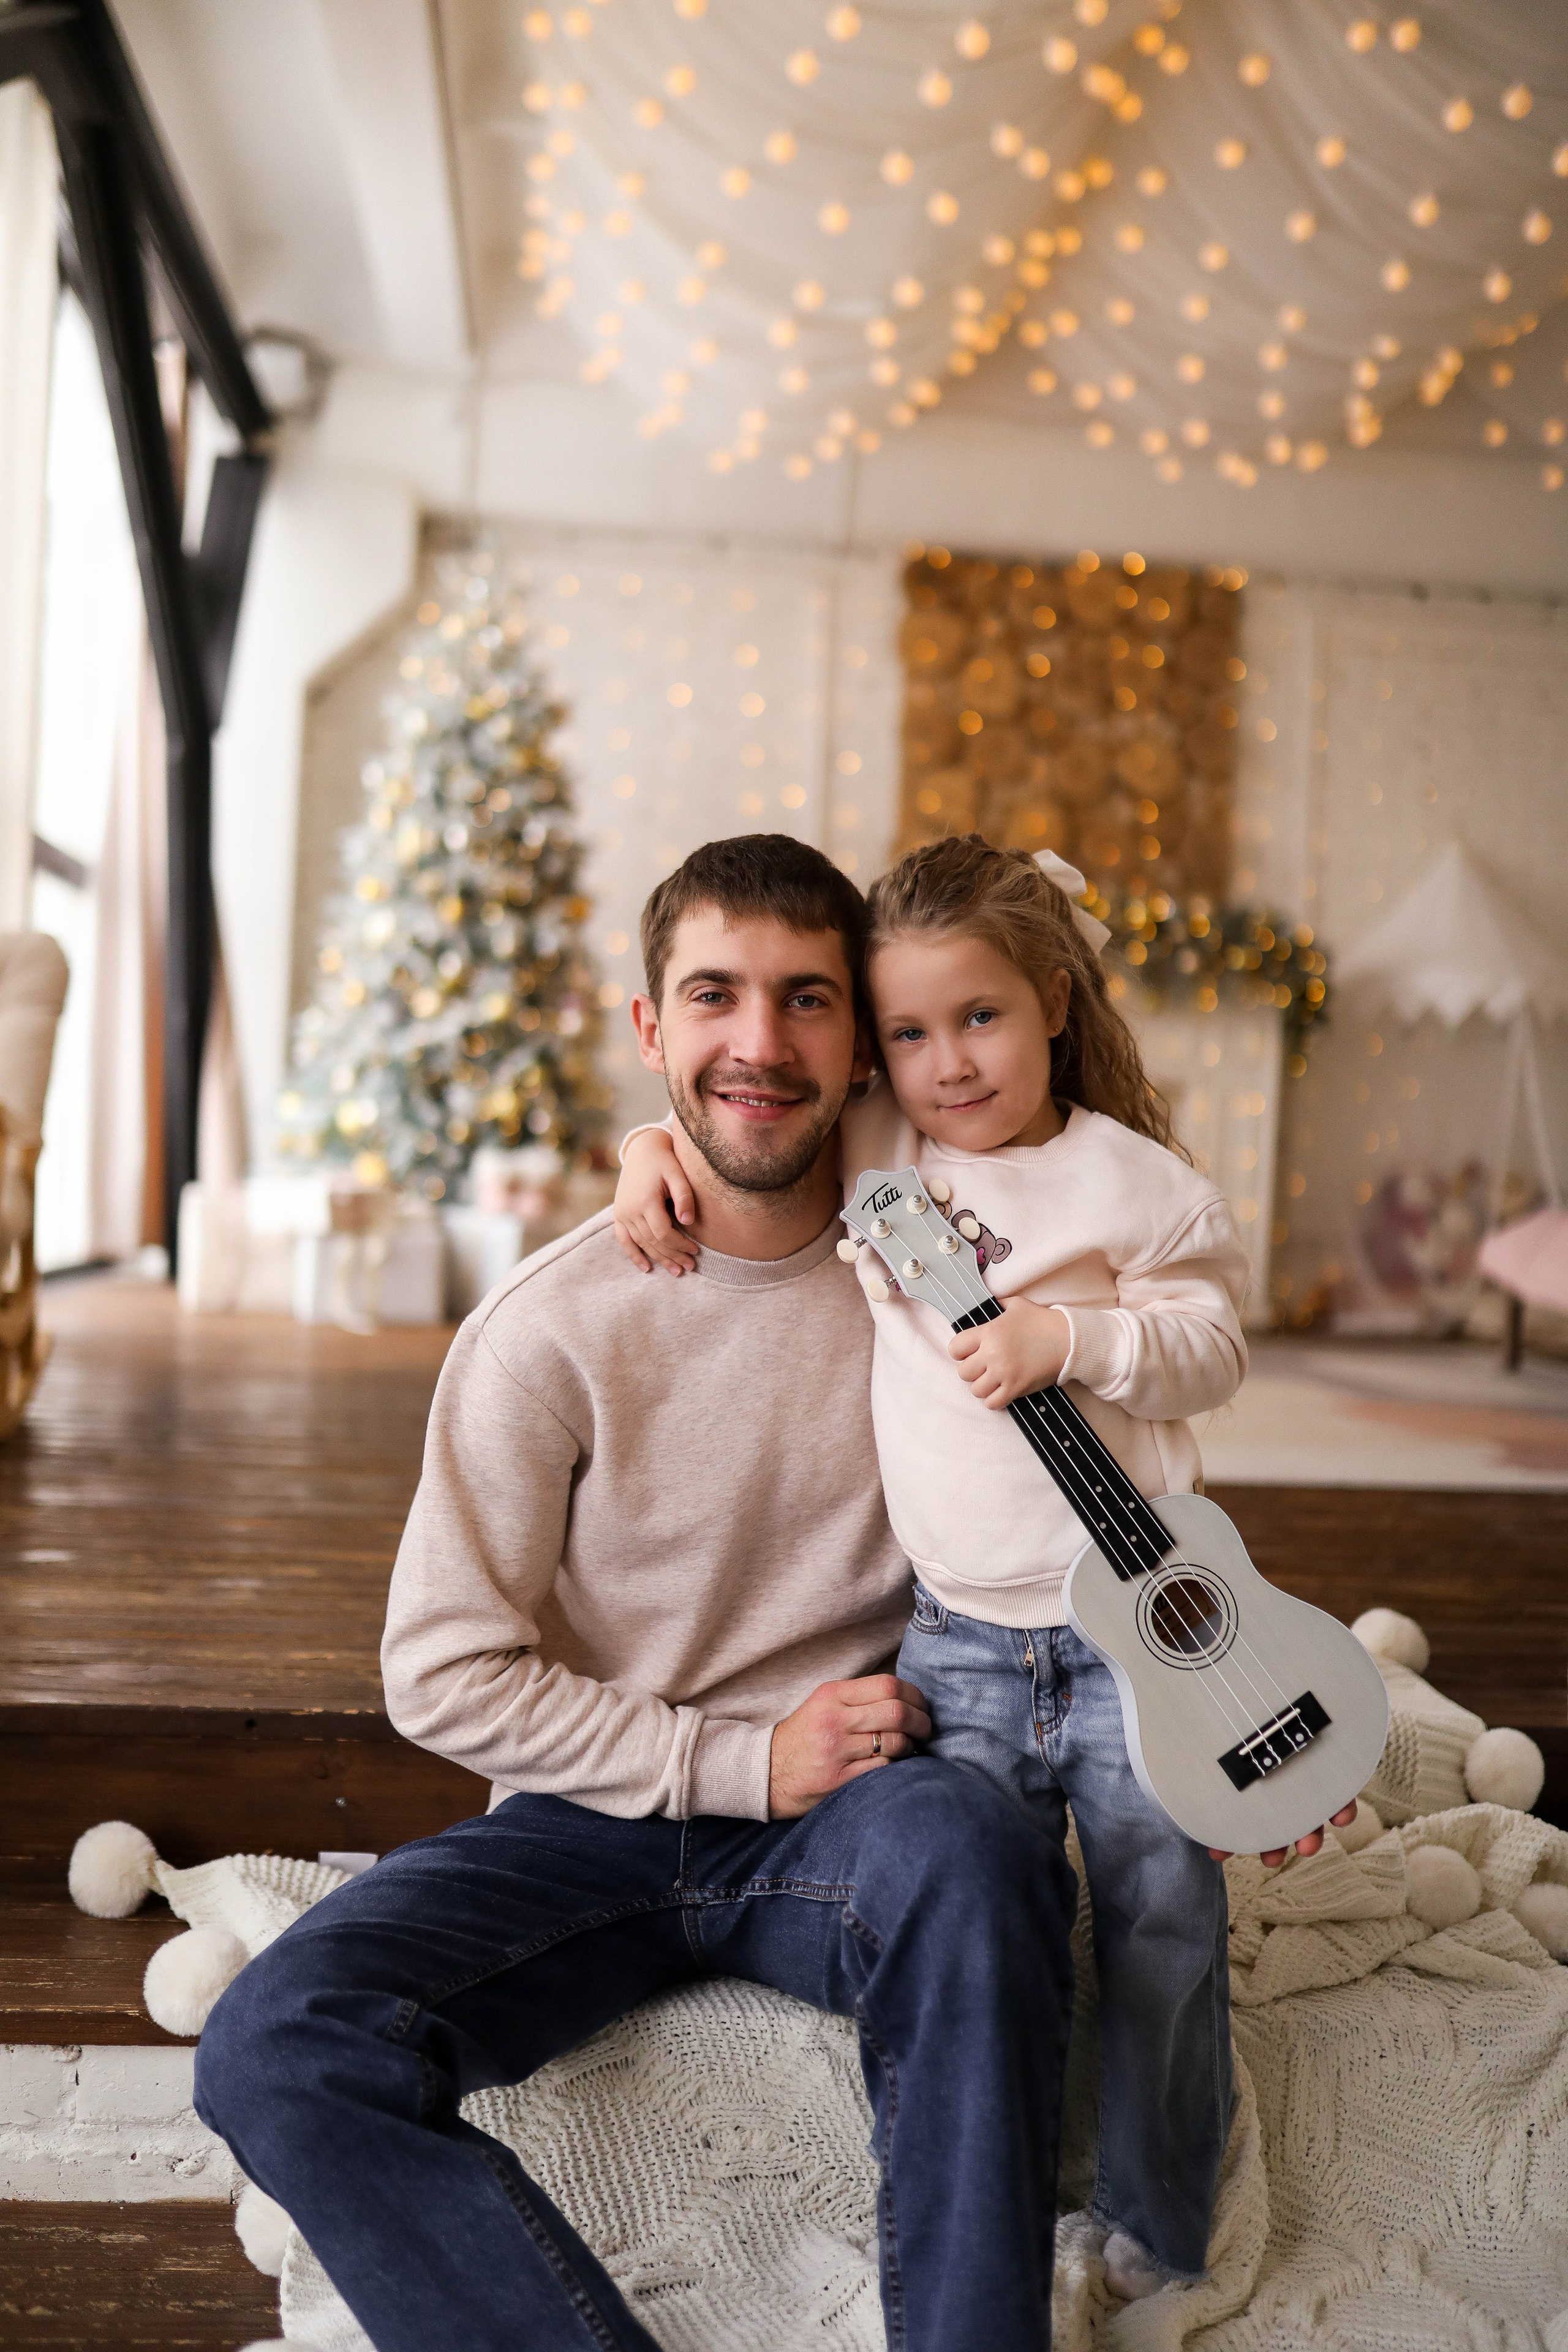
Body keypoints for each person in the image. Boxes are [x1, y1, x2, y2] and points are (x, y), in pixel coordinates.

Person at [194, 834, 1082, 2352]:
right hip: (580, 1826)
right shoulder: (546, 1329)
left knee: (979, 1850)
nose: (758, 1043)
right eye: (713, 998)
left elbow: (1080, 1113)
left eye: (807, 1001)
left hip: (851, 1799)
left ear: (861, 1042)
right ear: (648, 1029)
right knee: (273, 2045)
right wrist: (729, 1761)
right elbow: (443, 1675)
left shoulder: (935, 1251)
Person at [617, 832, 1355, 2301]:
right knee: (978, 1927)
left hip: (1138, 1642)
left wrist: (1068, 1341)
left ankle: (1154, 2212)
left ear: (1053, 1005)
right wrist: (646, 1147)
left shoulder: (1133, 1186)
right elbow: (738, 1126)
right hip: (951, 1638)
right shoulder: (876, 1145)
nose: (943, 1062)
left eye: (979, 1018)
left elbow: (1208, 1350)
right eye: (905, 1031)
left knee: (1160, 1914)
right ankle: (977, 2193)